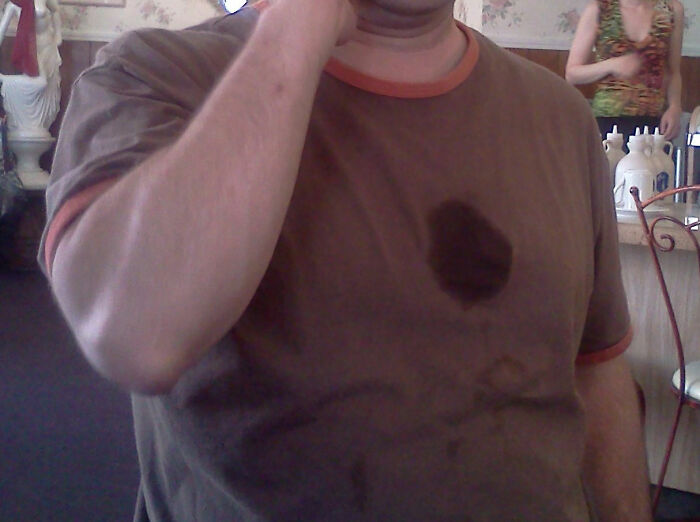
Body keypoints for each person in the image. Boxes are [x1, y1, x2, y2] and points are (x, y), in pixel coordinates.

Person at [41, 0, 652, 520]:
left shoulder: (560, 115)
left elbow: (596, 370)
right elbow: (135, 334)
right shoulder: (154, 72)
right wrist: (299, 21)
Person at [566, 0, 685, 142]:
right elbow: (572, 74)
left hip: (655, 122)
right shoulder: (599, 9)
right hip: (608, 122)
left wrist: (674, 107)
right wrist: (612, 65)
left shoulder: (671, 10)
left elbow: (673, 71)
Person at [0, 0, 62, 138]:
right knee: (40, 83)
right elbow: (1, 31)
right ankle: (5, 80)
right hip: (31, 51)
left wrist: (58, 34)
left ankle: (39, 125)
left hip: (48, 48)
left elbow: (55, 10)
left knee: (46, 91)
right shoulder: (14, 4)